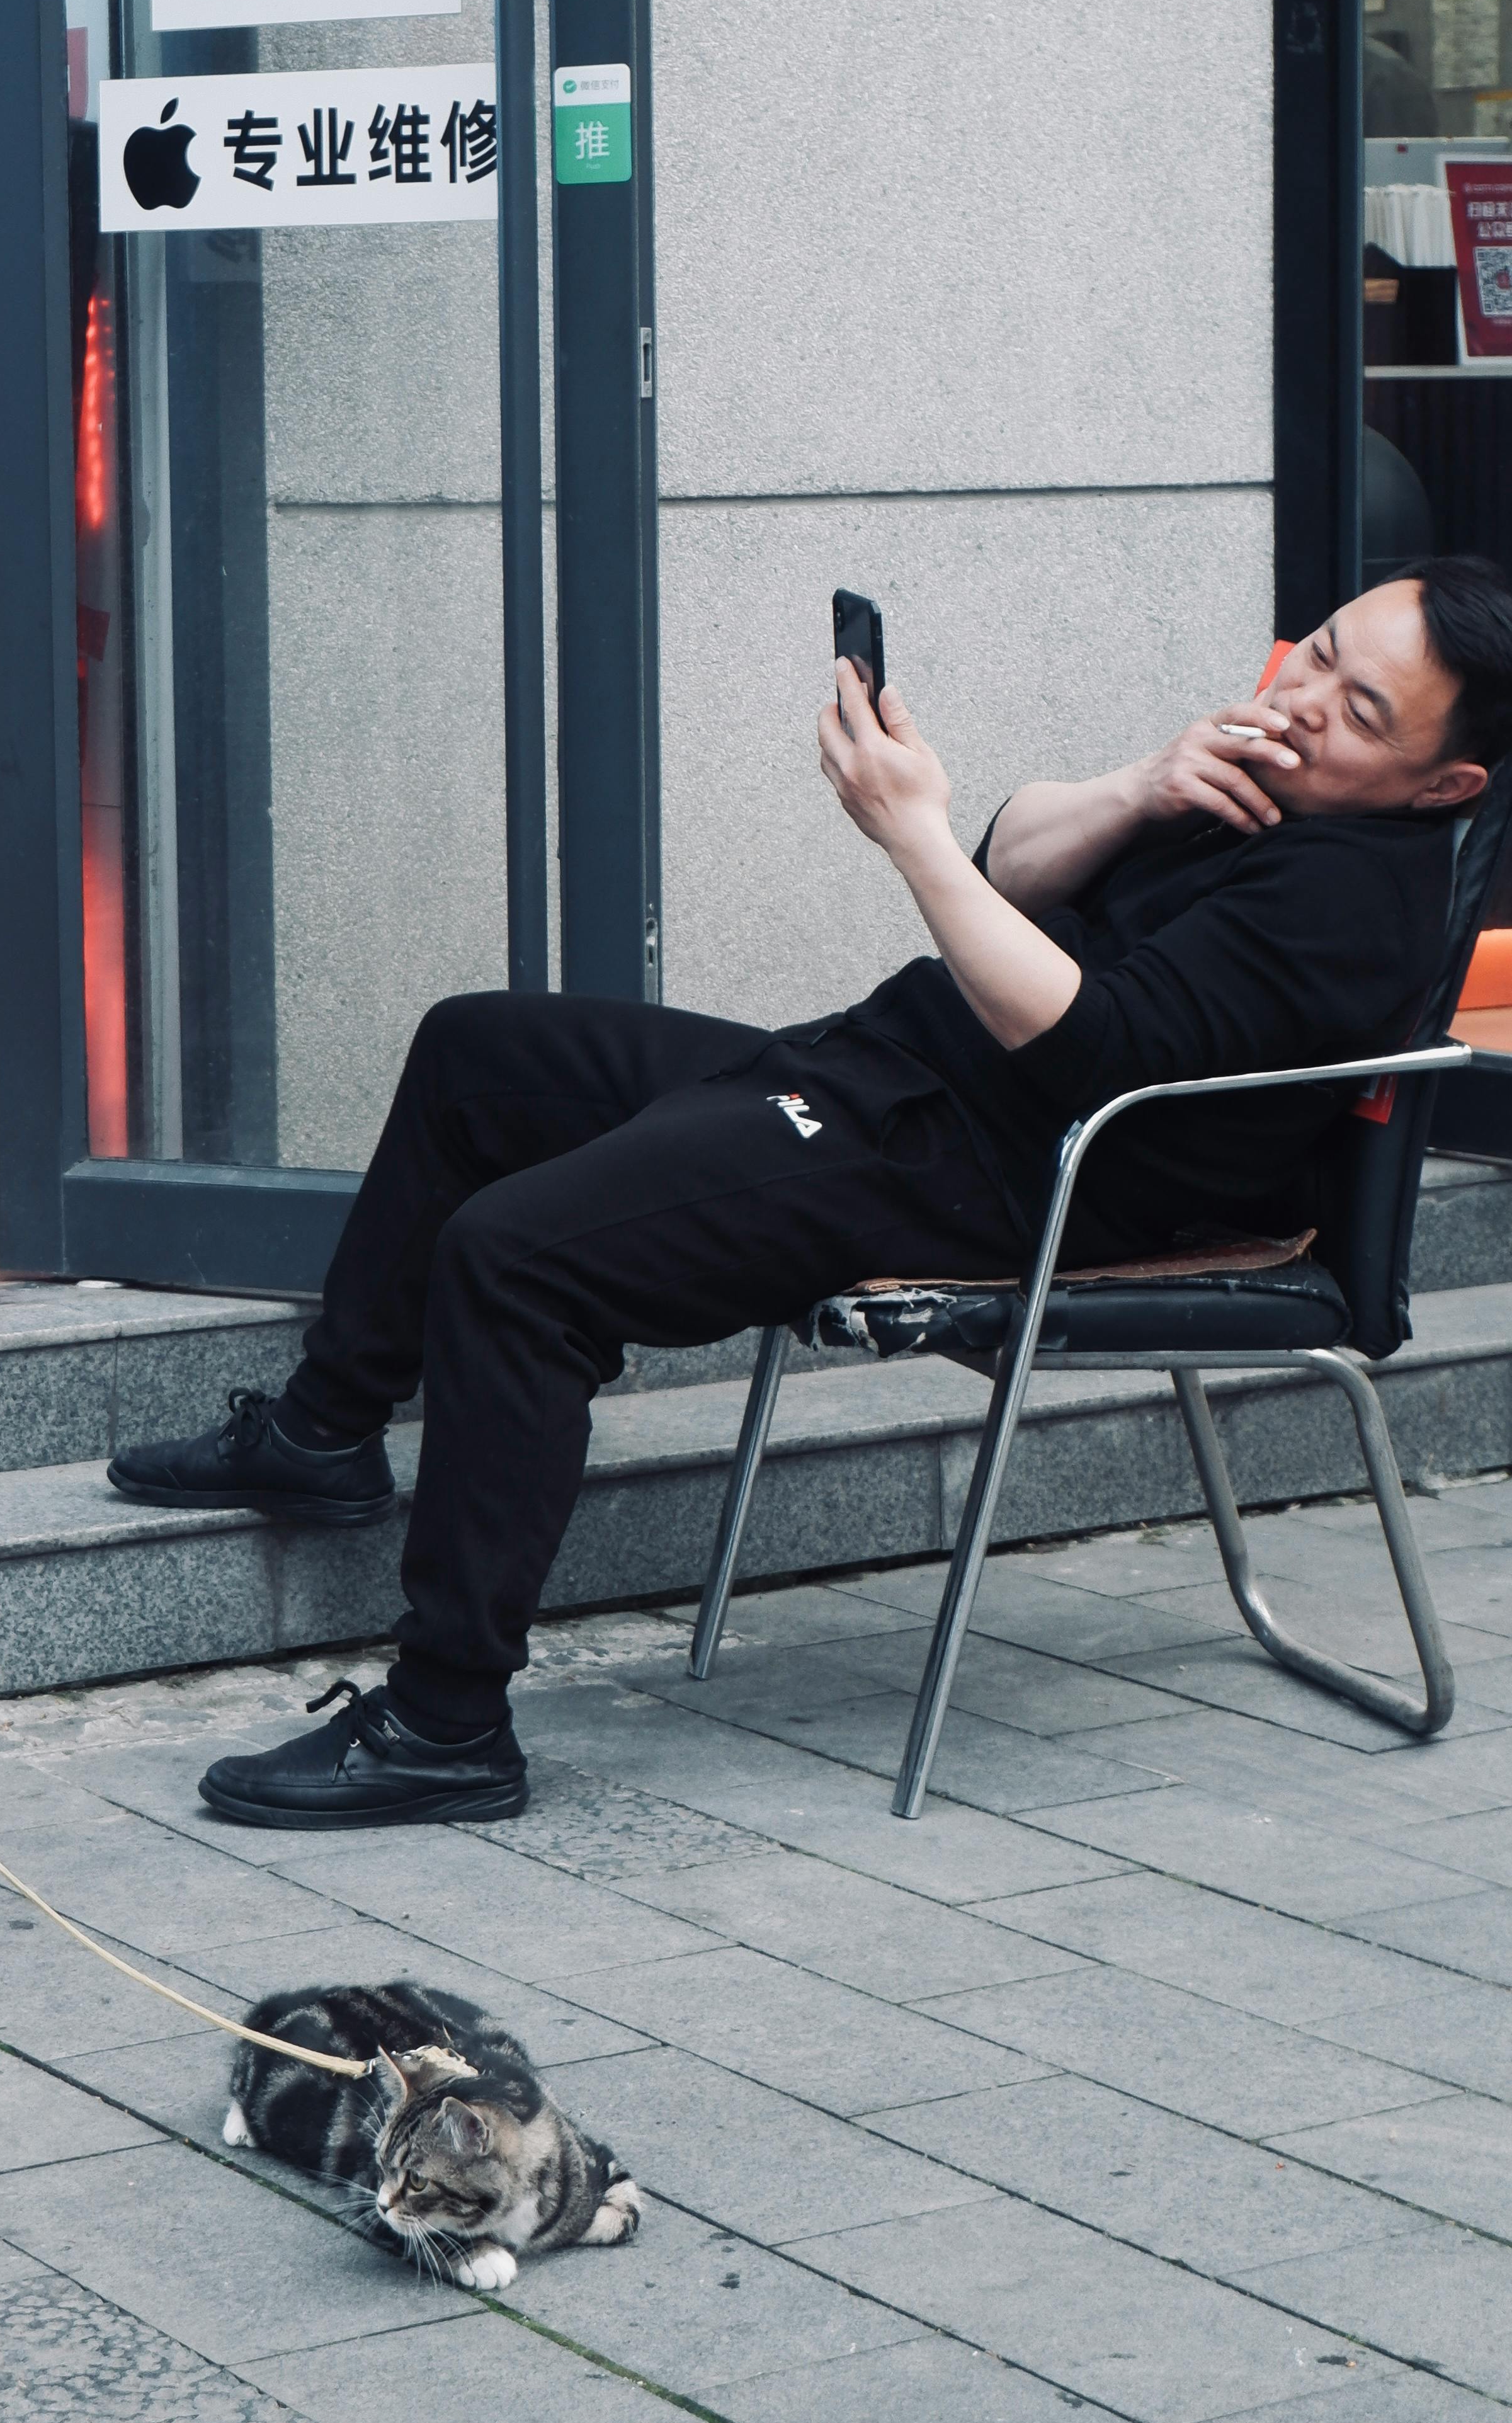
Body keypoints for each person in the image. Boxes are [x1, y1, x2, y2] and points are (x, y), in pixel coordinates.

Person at [110, 557, 1512, 1831]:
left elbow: (1089, 1046)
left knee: (519, 1257)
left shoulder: (1347, 898)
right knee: (481, 1052)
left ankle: (443, 1722)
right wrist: (1142, 782)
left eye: (1361, 706)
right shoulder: (1258, 777)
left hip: (986, 1179)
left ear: (1441, 784)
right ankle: (322, 1432)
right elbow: (1009, 868)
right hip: (883, 1079)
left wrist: (905, 835)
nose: (1306, 696)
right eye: (1317, 650)